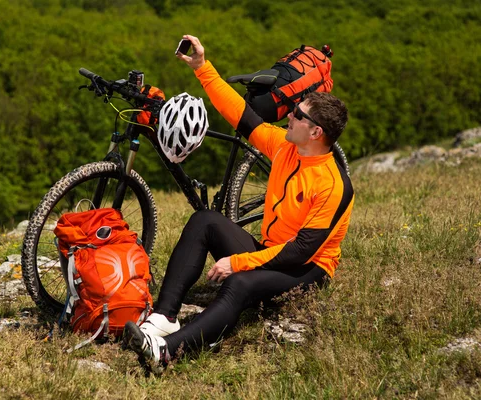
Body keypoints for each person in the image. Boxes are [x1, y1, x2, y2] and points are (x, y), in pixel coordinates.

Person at [123, 34, 354, 374]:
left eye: (297, 114)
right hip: (272, 250)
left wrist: (240, 262)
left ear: (316, 132)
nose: (288, 115)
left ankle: (166, 352)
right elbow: (241, 115)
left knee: (239, 283)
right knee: (205, 220)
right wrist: (203, 68)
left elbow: (299, 252)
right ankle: (162, 319)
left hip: (306, 272)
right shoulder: (284, 147)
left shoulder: (334, 185)